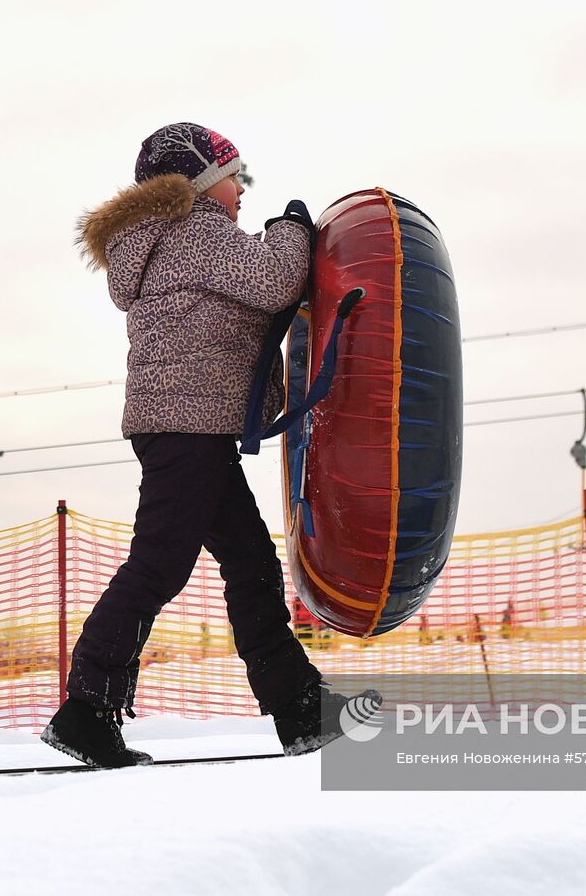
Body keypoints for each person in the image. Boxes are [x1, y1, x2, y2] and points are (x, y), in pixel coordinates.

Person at [41, 122, 378, 768]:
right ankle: (86, 707)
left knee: (250, 563)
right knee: (160, 565)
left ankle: (299, 706)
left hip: (186, 426)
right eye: (234, 174)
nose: (242, 188)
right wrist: (294, 227)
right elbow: (277, 279)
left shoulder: (166, 238)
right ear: (198, 183)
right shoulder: (194, 231)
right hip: (187, 426)